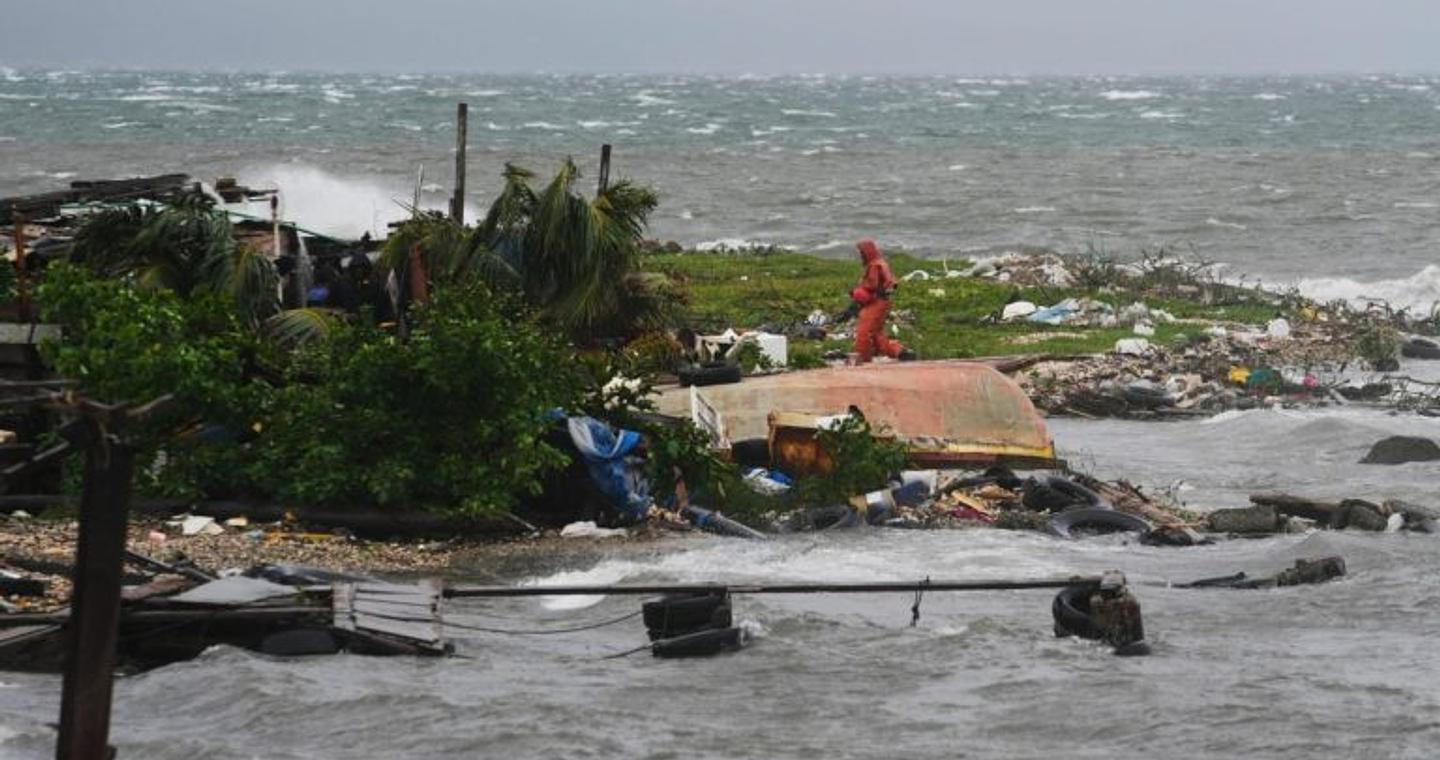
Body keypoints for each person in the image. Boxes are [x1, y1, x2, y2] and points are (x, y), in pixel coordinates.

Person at [848, 238, 915, 363]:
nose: (860, 255)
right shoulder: (881, 263)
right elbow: (892, 283)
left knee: (864, 330)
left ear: (866, 252)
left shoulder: (874, 266)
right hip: (884, 302)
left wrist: (856, 293)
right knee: (876, 333)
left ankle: (862, 357)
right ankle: (898, 351)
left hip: (876, 302)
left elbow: (872, 287)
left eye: (861, 252)